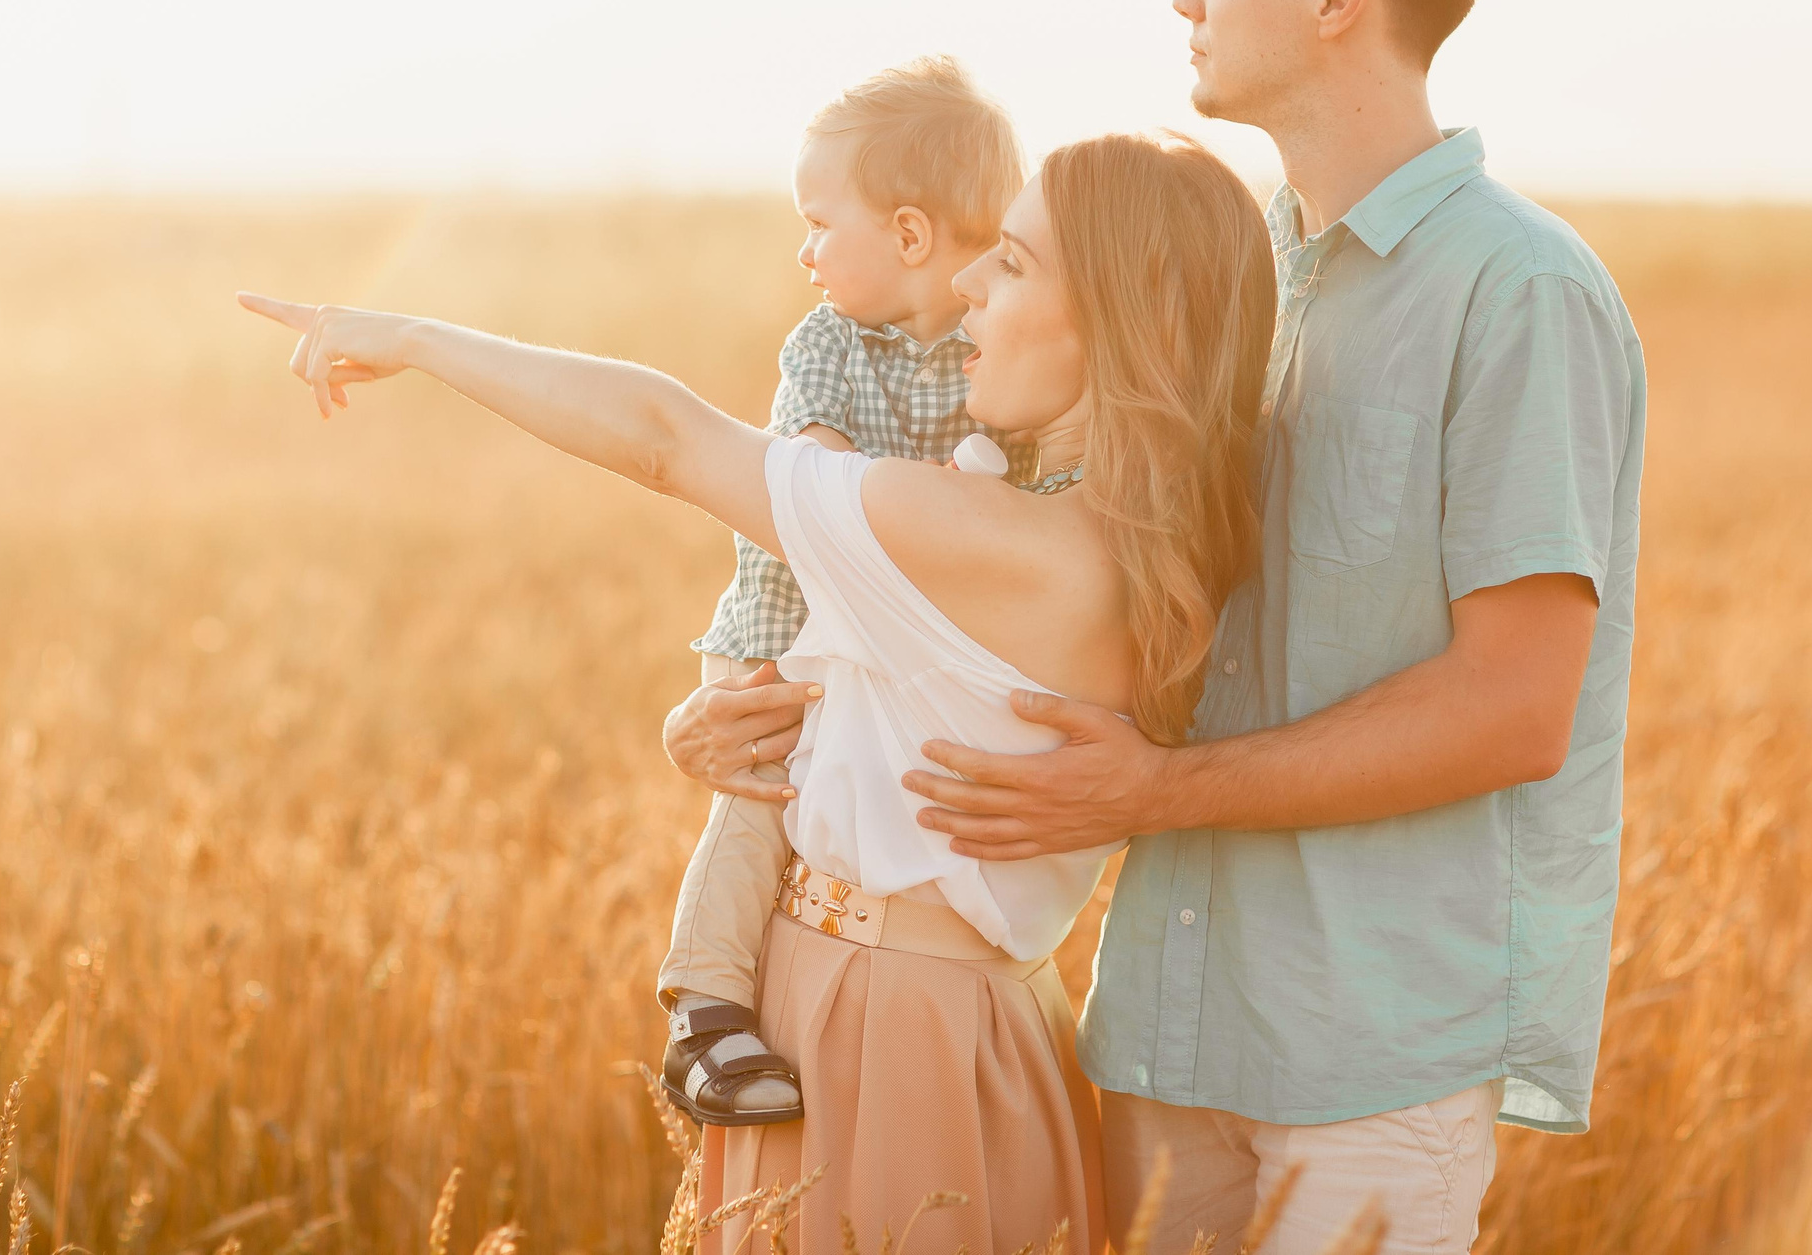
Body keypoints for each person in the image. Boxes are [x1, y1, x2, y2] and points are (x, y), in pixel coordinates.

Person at [668, 0, 1648, 1255]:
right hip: (1163, 1031)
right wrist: (767, 717)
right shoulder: (1214, 268)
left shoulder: (1517, 291)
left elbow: (1513, 708)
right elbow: (982, 568)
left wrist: (1148, 795)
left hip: (1365, 1058)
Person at [239, 128, 1276, 1254]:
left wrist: (414, 336)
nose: (969, 278)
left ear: (1127, 323)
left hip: (876, 1031)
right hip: (975, 1021)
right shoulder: (1140, 544)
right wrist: (727, 724)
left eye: (1015, 264)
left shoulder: (982, 536)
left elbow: (663, 439)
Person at [660, 55, 1027, 1128]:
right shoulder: (823, 342)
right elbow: (813, 479)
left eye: (821, 223)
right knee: (758, 806)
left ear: (910, 236)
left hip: (895, 651)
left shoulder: (1001, 345)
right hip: (789, 636)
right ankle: (705, 1004)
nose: (804, 251)